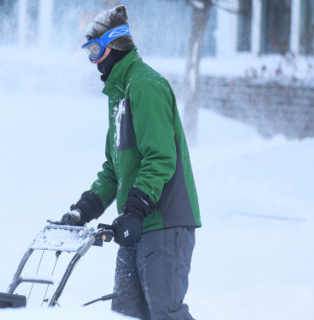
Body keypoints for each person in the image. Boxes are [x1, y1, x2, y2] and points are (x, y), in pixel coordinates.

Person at [60, 5, 202, 320]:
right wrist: (83, 210)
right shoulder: (119, 94)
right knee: (125, 314)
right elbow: (114, 168)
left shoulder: (145, 86)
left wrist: (136, 208)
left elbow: (161, 156)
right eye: (88, 52)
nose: (93, 60)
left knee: (166, 313)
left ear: (116, 45)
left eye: (96, 50)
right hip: (135, 225)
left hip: (162, 223)